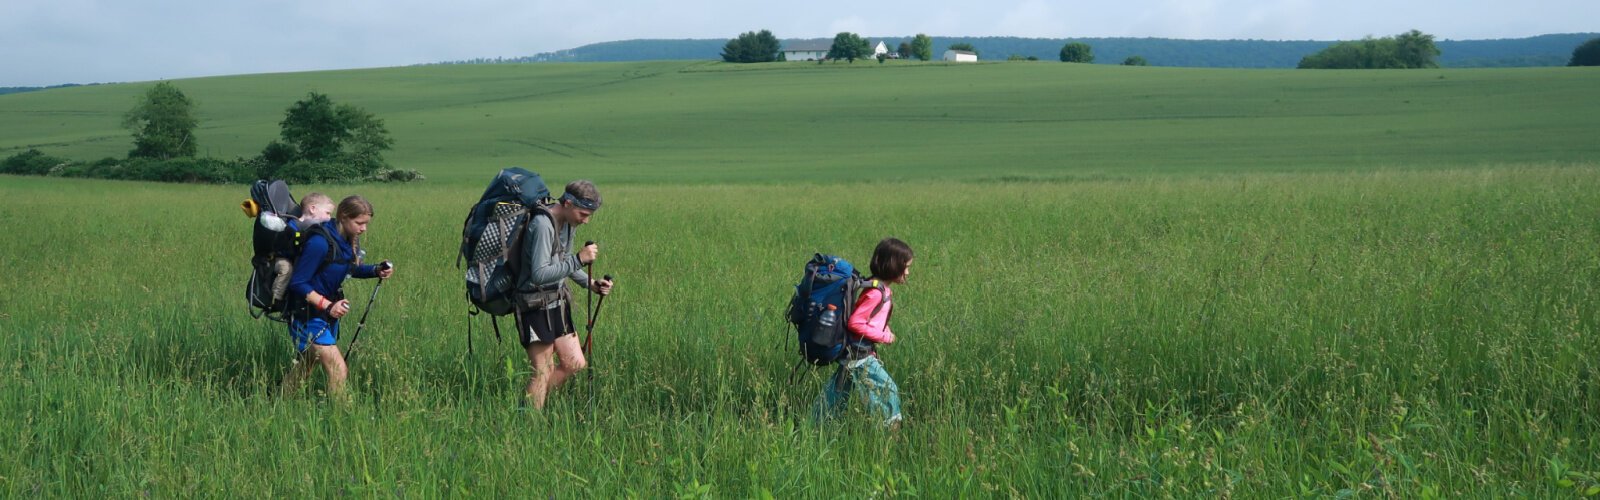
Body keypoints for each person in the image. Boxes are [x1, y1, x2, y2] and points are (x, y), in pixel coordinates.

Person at [280, 195, 394, 398]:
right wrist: (328, 305)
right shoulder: (319, 243)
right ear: (343, 216)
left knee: (307, 364)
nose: (363, 229)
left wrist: (376, 270)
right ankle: (340, 420)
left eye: (366, 223)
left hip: (323, 314)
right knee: (338, 369)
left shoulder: (345, 242)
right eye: (359, 223)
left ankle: (278, 403)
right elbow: (298, 283)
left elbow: (348, 269)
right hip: (305, 314)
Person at [516, 180, 614, 409]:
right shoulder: (542, 225)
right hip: (533, 303)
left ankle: (534, 405)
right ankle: (528, 423)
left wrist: (591, 284)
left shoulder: (568, 223)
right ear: (568, 203)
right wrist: (579, 259)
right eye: (583, 213)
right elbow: (539, 274)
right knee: (542, 372)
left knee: (575, 363)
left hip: (557, 301)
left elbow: (564, 264)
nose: (586, 220)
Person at [814, 237, 914, 428]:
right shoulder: (875, 292)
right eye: (905, 266)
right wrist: (885, 336)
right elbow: (856, 323)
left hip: (854, 353)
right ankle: (891, 437)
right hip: (859, 354)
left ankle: (812, 427)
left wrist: (884, 328)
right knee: (888, 391)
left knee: (834, 398)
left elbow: (872, 319)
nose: (908, 272)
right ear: (892, 265)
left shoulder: (879, 288)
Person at [268, 192, 335, 304]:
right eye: (327, 213)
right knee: (286, 269)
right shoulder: (292, 226)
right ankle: (275, 299)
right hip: (282, 258)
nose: (329, 218)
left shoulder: (319, 229)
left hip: (299, 258)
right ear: (313, 209)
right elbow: (284, 248)